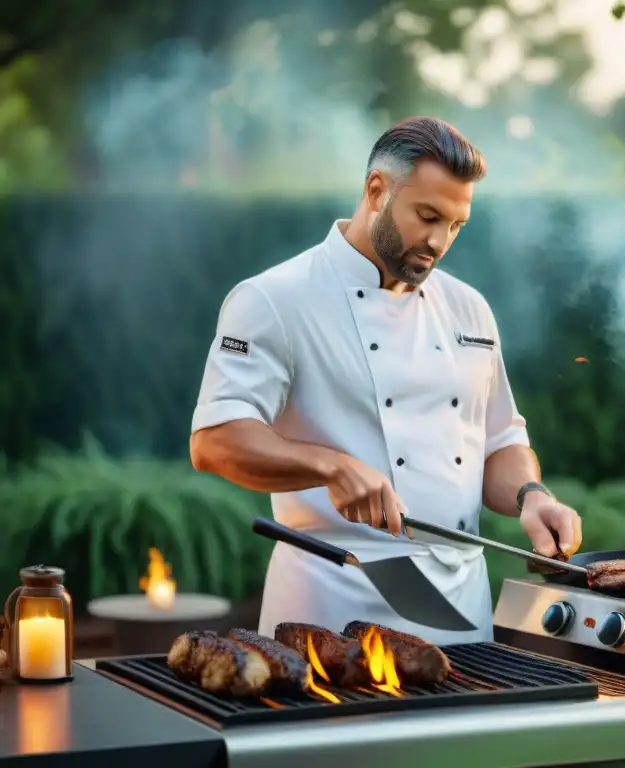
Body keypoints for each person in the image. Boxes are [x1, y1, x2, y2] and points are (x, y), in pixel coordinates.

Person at [189, 116, 583, 644]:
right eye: (427, 216)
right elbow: (215, 440)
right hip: (334, 607)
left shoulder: (469, 309)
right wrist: (330, 465)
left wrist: (532, 496)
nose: (439, 241)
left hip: (462, 611)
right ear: (377, 190)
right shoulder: (274, 299)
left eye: (456, 225)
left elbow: (499, 441)